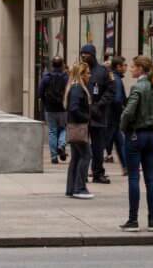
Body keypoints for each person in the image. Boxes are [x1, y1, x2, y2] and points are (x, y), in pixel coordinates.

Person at [119, 55, 153, 232]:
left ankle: (133, 220)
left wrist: (123, 128)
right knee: (150, 178)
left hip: (137, 134)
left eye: (133, 66)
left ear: (140, 69)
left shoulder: (138, 87)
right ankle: (152, 220)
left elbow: (128, 112)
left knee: (134, 177)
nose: (130, 69)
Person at [79, 44, 114, 184]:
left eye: (86, 54)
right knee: (82, 146)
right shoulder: (79, 70)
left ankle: (98, 172)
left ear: (92, 55)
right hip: (82, 115)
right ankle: (81, 173)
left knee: (98, 147)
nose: (83, 57)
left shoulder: (103, 72)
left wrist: (99, 105)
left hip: (98, 115)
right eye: (82, 54)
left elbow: (111, 91)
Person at [64, 61, 93, 200]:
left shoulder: (74, 87)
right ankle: (79, 187)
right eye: (87, 73)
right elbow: (74, 108)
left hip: (75, 126)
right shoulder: (77, 89)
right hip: (78, 127)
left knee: (76, 157)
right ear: (81, 74)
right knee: (86, 155)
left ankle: (71, 188)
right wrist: (87, 117)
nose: (90, 75)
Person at [38, 56, 69, 164]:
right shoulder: (66, 77)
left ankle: (54, 156)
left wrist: (45, 102)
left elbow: (40, 92)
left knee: (52, 131)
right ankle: (61, 145)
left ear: (52, 65)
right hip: (63, 108)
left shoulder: (46, 77)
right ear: (62, 65)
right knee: (63, 129)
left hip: (50, 109)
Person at [105, 56, 128, 174]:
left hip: (112, 117)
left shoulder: (114, 77)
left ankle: (126, 167)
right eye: (125, 65)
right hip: (112, 117)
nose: (126, 68)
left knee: (120, 141)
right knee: (103, 143)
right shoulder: (117, 80)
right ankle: (93, 168)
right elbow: (118, 100)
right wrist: (122, 111)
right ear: (118, 67)